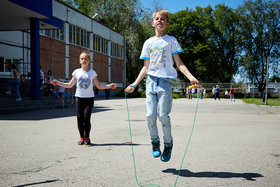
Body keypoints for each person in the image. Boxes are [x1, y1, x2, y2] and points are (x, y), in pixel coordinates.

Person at [125, 10, 199, 162]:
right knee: (150, 115)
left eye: (163, 19)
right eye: (157, 19)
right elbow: (145, 67)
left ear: (167, 24)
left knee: (163, 116)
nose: (159, 21)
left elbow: (179, 63)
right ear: (153, 23)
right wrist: (134, 84)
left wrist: (191, 77)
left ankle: (168, 144)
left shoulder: (171, 41)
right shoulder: (148, 42)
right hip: (151, 81)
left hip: (165, 82)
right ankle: (154, 141)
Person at [51, 51, 117, 145]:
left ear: (89, 61)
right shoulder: (76, 72)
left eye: (86, 59)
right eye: (82, 59)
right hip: (79, 98)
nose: (84, 60)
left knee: (86, 118)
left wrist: (109, 86)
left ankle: (87, 138)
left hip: (89, 99)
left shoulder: (92, 73)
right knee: (79, 118)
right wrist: (58, 83)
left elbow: (98, 86)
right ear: (79, 61)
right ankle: (82, 137)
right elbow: (70, 85)